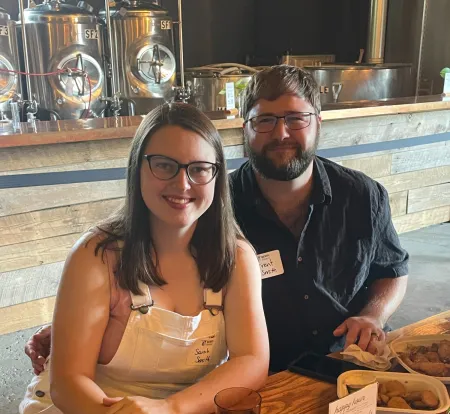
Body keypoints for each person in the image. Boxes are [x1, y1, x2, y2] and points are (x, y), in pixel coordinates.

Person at [26, 65, 409, 376]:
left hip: (354, 364)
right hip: (264, 376)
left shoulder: (363, 196)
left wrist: (371, 315)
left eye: (295, 119)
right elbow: (165, 279)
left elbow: (393, 270)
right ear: (244, 127)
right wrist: (82, 325)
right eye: (265, 121)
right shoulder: (206, 204)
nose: (281, 133)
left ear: (318, 122)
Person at [17, 103, 269, 414]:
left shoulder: (238, 258)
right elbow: (69, 383)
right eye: (165, 165)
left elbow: (252, 362)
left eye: (199, 169)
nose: (182, 183)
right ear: (138, 169)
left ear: (217, 176)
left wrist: (167, 412)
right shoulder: (97, 256)